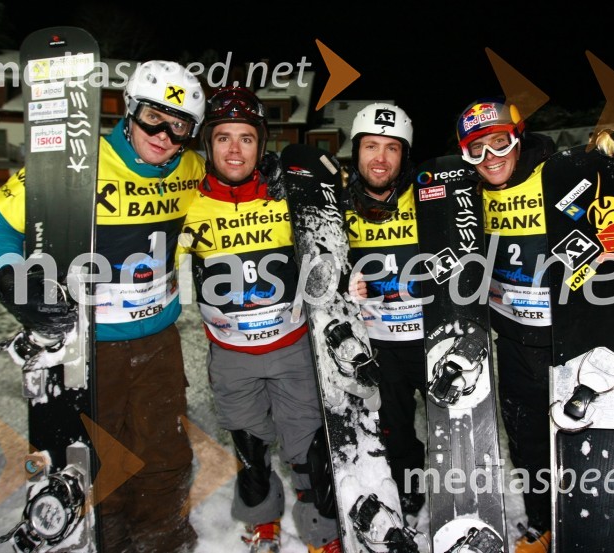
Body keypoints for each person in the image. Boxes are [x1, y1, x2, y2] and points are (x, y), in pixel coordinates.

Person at [0, 60, 206, 552]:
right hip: (91, 347)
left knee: (165, 453)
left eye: (179, 125)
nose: (163, 135)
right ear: (130, 111)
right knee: (99, 457)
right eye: (152, 117)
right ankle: (111, 542)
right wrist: (16, 285)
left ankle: (164, 542)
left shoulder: (191, 170)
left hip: (159, 341)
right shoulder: (78, 163)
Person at [455, 97, 614, 552]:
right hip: (510, 339)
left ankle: (584, 525)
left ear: (518, 137)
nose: (490, 158)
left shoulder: (558, 175)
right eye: (476, 150)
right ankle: (543, 524)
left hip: (567, 339)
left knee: (575, 434)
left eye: (499, 143)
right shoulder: (471, 193)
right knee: (526, 443)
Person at [178, 86, 341, 553]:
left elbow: (334, 236)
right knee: (251, 453)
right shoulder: (189, 203)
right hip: (231, 356)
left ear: (261, 144)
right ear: (208, 143)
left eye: (246, 138)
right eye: (224, 137)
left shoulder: (285, 196)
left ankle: (322, 528)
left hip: (292, 349)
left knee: (309, 451)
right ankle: (262, 518)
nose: (234, 149)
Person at [340, 103, 427, 516]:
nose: (380, 158)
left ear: (404, 155)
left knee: (457, 421)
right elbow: (318, 270)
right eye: (371, 146)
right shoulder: (336, 207)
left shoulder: (429, 198)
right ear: (356, 151)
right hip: (379, 343)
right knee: (395, 429)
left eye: (392, 148)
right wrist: (344, 285)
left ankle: (460, 483)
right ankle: (409, 485)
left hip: (432, 338)